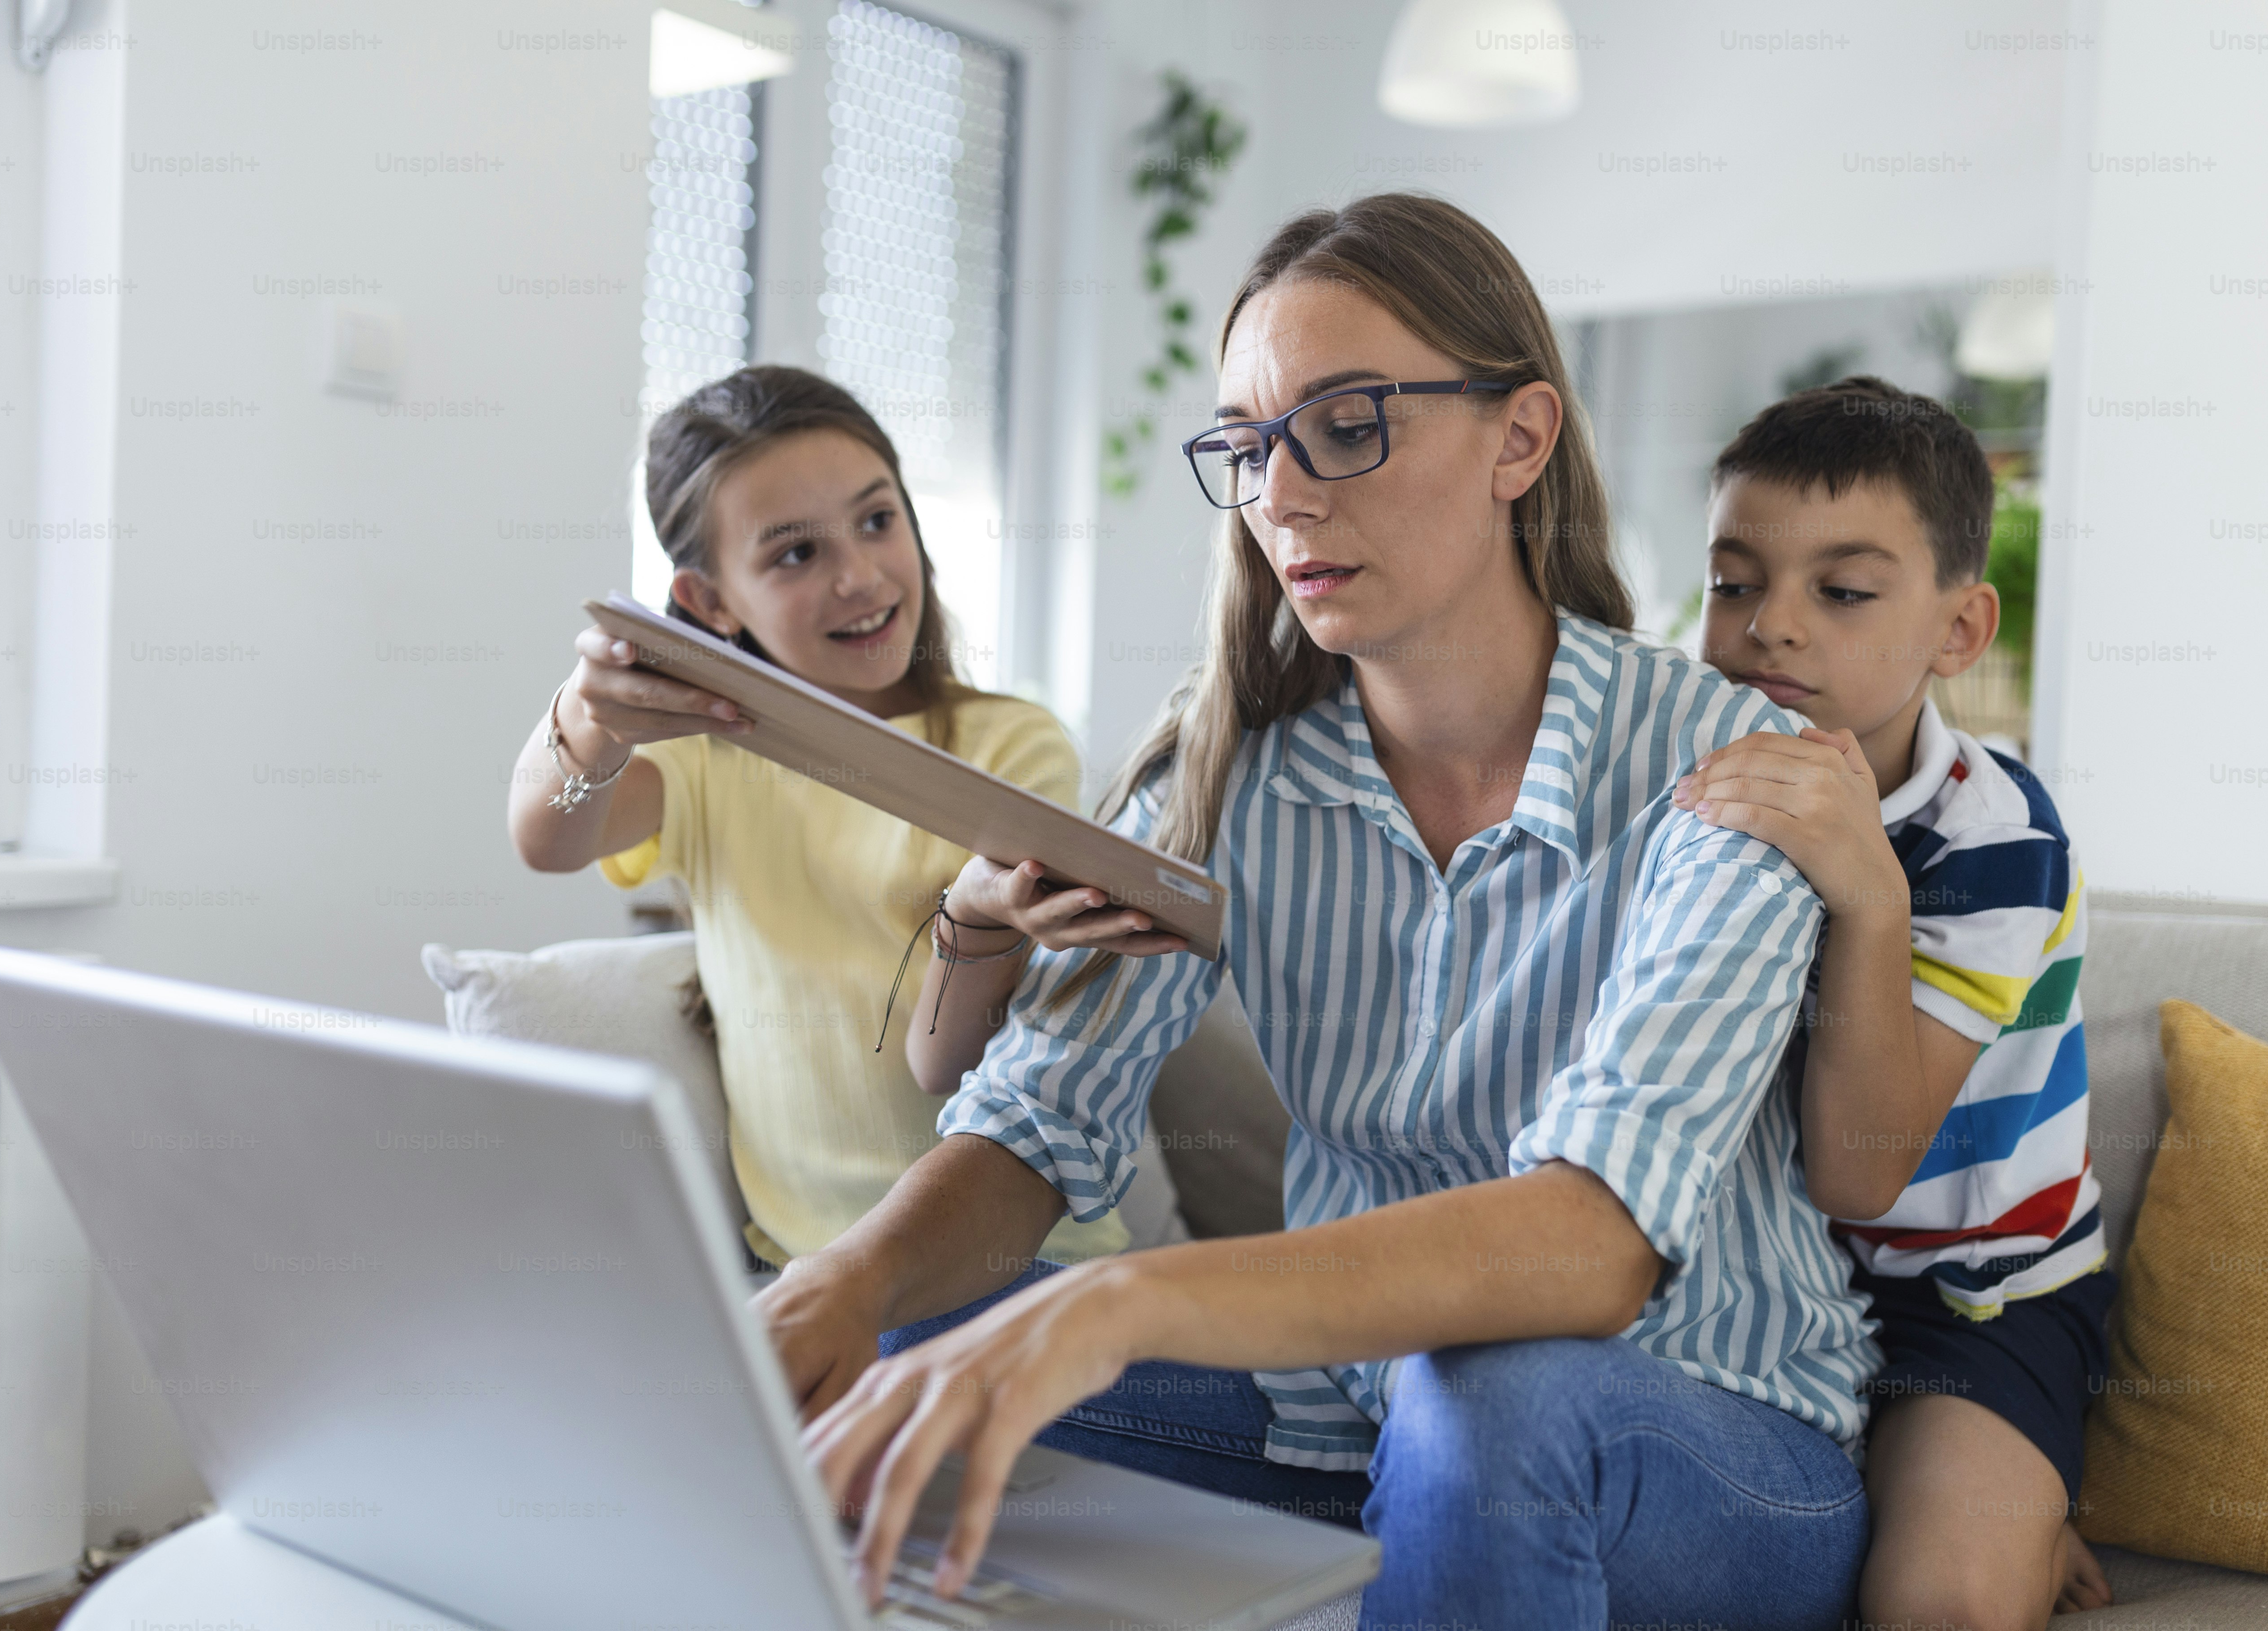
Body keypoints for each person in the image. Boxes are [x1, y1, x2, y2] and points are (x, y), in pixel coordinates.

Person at [756, 195, 1880, 1629]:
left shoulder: (1729, 767)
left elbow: (1593, 1246)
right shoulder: (1221, 769)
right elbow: (1035, 1124)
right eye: (1246, 447)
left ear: (1520, 441)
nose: (1282, 496)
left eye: (1348, 427)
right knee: (907, 1340)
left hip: (1703, 1440)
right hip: (1339, 1420)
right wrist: (845, 1280)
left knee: (1488, 1398)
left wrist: (1126, 1301)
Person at [506, 364, 1134, 1270]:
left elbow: (955, 1065)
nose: (861, 577)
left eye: (877, 521)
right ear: (710, 603)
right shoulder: (705, 758)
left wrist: (978, 920)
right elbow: (548, 838)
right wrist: (586, 716)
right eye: (796, 554)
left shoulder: (1012, 745)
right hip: (809, 1271)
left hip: (1018, 1267)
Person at [1679, 376, 2115, 1629]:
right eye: (1734, 583)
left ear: (1959, 631)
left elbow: (1863, 1170)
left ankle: (2011, 1512)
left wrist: (1868, 889)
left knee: (1938, 1602)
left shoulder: (1998, 841)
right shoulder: (1691, 789)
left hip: (1971, 1298)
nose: (1771, 627)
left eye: (1845, 593)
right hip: (1758, 1275)